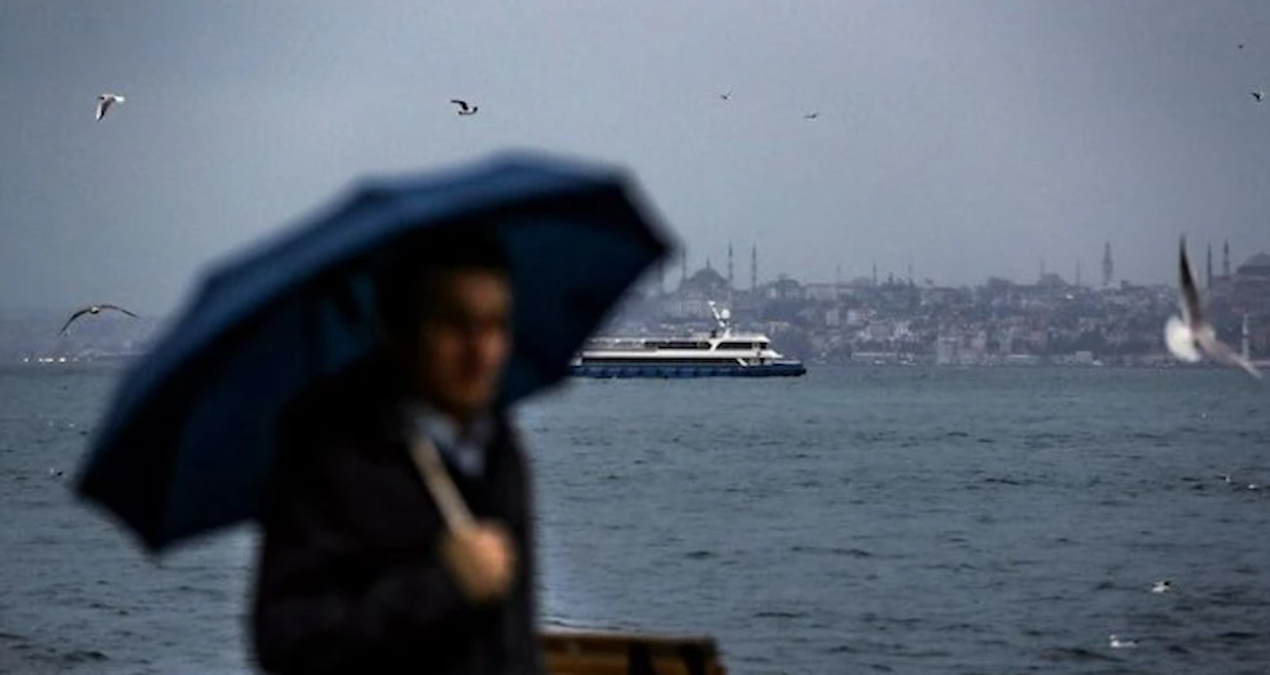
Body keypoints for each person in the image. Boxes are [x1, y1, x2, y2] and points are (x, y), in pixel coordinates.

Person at [251, 225, 544, 675]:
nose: (480, 351)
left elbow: (513, 638)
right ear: (400, 330)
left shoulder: (501, 449)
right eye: (456, 324)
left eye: (495, 325)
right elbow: (286, 641)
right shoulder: (330, 451)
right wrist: (442, 586)